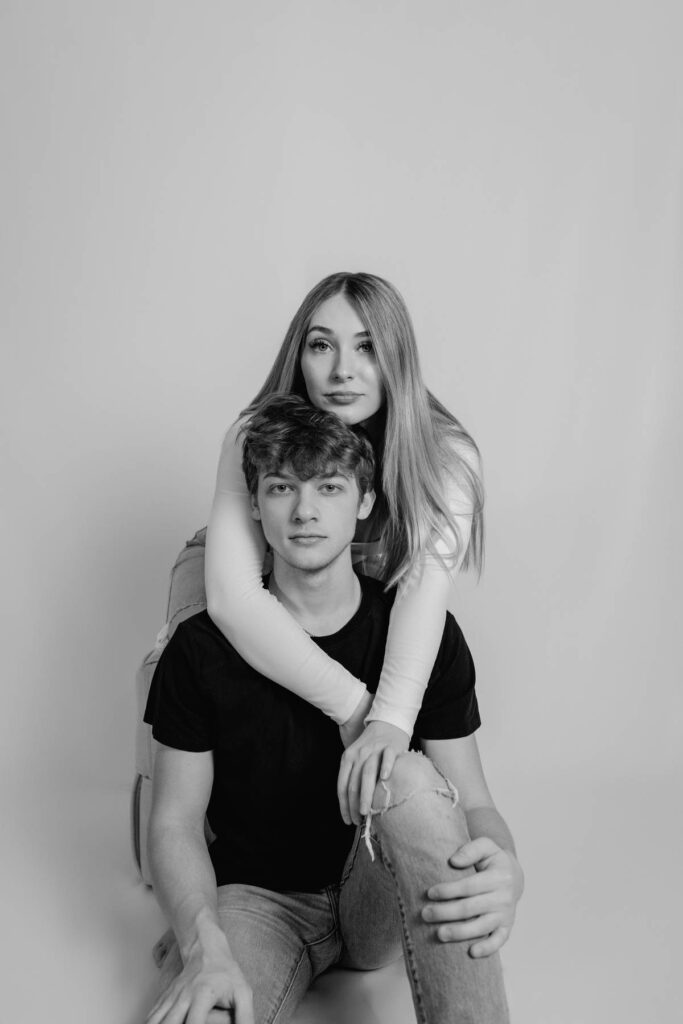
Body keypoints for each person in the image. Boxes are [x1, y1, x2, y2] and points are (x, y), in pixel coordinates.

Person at [144, 395, 523, 1024]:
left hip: (380, 886)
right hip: (257, 901)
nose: (305, 511)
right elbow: (174, 822)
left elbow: (473, 802)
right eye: (281, 488)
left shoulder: (417, 635)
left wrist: (505, 866)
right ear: (254, 507)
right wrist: (202, 940)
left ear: (365, 502)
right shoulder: (202, 646)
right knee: (209, 1011)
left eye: (329, 486)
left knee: (404, 775)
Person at [205, 272, 485, 822]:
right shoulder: (252, 434)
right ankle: (172, 822)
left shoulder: (446, 456)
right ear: (299, 354)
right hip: (261, 565)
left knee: (395, 718)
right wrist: (360, 709)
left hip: (362, 589)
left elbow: (422, 592)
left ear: (396, 359)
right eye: (321, 345)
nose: (342, 371)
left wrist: (392, 722)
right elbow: (233, 596)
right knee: (190, 650)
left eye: (367, 347)